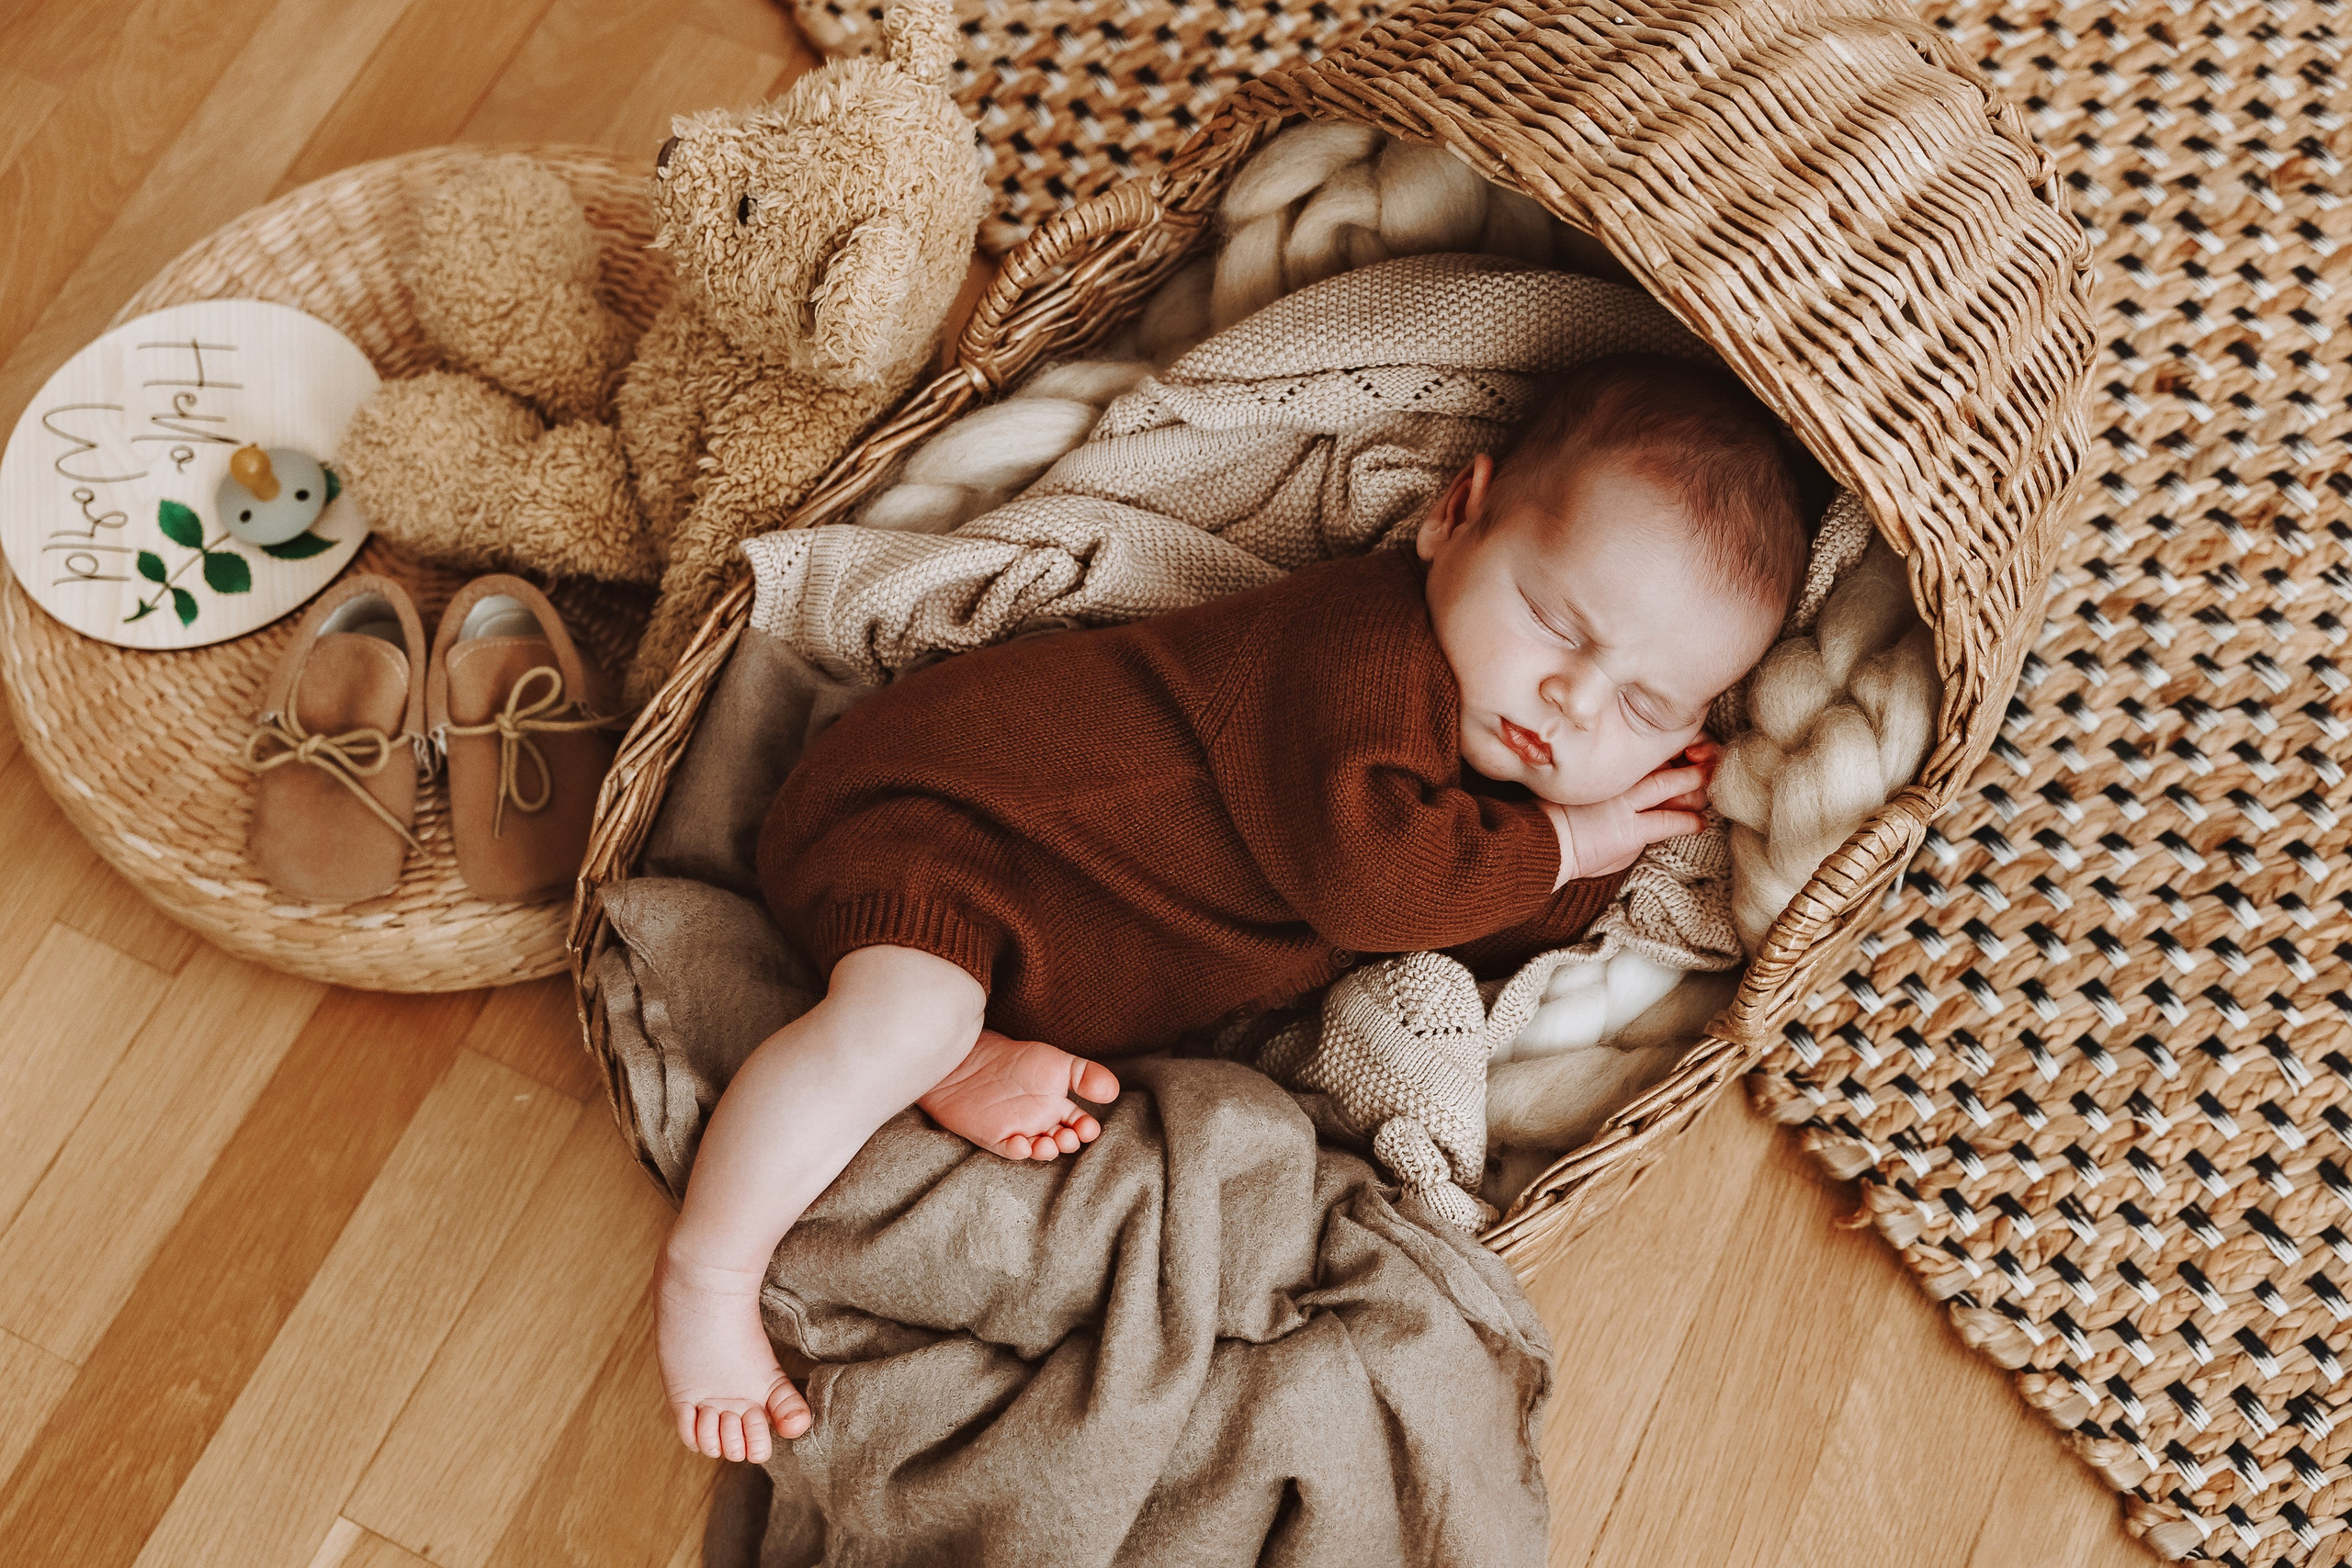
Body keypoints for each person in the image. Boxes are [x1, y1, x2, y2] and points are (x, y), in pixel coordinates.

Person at [655, 350, 1810, 1462]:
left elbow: (1483, 915)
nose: (1573, 697)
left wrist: (1596, 854)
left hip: (1037, 944)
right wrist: (1572, 838)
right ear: (1457, 515)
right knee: (898, 1017)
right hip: (948, 832)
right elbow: (1382, 887)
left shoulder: (1490, 773)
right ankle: (709, 1275)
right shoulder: (1363, 644)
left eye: (1647, 706)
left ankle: (955, 1052)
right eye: (1558, 623)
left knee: (945, 1032)